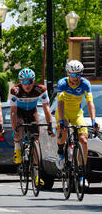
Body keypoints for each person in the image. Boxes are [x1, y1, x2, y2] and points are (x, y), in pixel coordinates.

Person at [55, 60, 99, 188]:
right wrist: (62, 120)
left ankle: (81, 174)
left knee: (84, 141)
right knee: (62, 130)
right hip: (63, 112)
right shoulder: (62, 83)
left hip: (77, 113)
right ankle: (60, 152)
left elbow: (90, 103)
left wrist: (93, 120)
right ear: (68, 74)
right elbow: (60, 103)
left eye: (78, 75)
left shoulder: (85, 83)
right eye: (73, 75)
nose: (76, 78)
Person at [9, 68, 55, 186]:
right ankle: (17, 149)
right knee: (19, 125)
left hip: (32, 111)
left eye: (29, 81)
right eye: (24, 82)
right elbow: (13, 112)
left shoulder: (41, 89)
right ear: (20, 82)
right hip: (20, 111)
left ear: (33, 81)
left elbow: (46, 108)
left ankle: (36, 174)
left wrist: (50, 125)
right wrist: (15, 128)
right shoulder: (15, 90)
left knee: (36, 139)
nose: (27, 85)